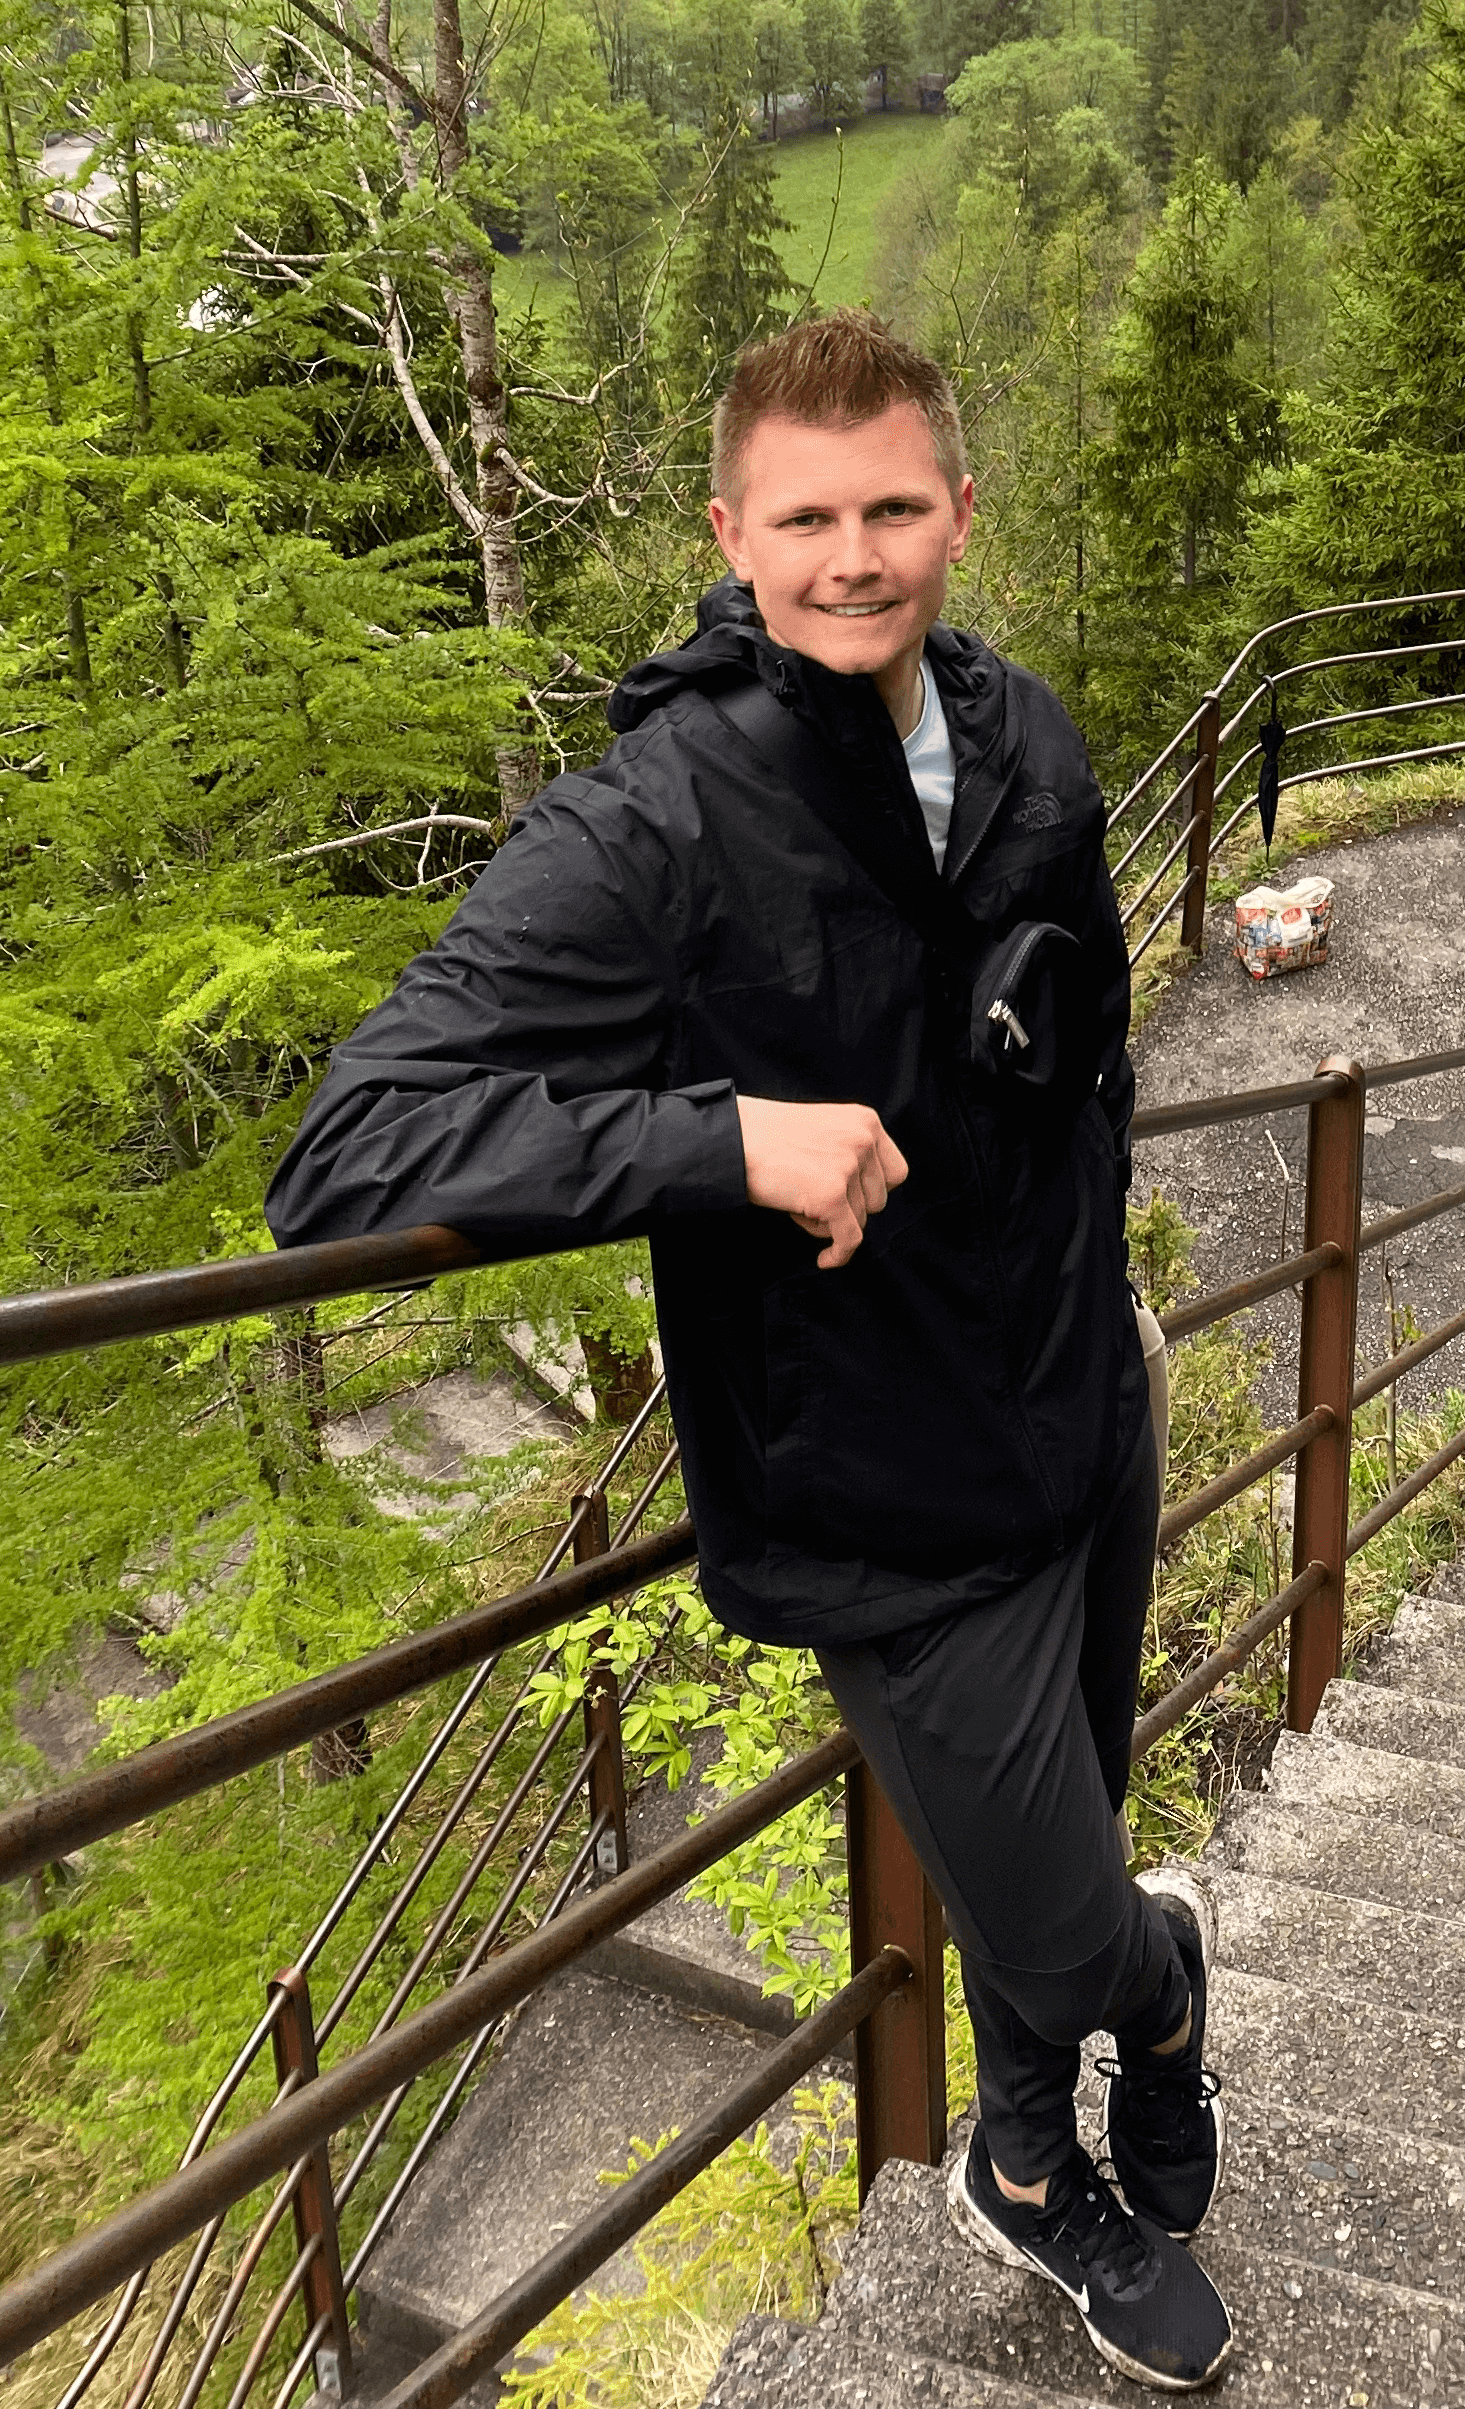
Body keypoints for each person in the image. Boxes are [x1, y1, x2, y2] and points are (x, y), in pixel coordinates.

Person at [262, 311, 1231, 2395]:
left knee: (1035, 1840)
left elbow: (1089, 1051)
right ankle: (1161, 2003)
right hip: (885, 1494)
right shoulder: (665, 822)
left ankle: (1029, 2166)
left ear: (963, 508)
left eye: (896, 506)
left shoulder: (1031, 737)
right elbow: (352, 1153)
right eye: (809, 517)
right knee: (1073, 1924)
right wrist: (717, 1141)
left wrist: (1099, 1259)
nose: (857, 554)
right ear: (731, 530)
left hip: (1080, 1403)